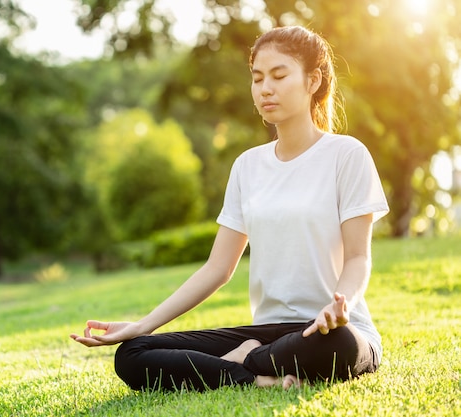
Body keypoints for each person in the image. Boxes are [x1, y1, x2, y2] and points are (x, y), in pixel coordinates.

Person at [70, 25, 389, 392]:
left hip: (331, 331)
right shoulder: (248, 167)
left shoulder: (346, 155)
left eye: (279, 75)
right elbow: (218, 268)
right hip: (269, 333)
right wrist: (142, 325)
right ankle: (254, 375)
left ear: (313, 80)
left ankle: (244, 360)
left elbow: (357, 258)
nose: (265, 88)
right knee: (133, 353)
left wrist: (341, 306)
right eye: (257, 78)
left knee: (342, 347)